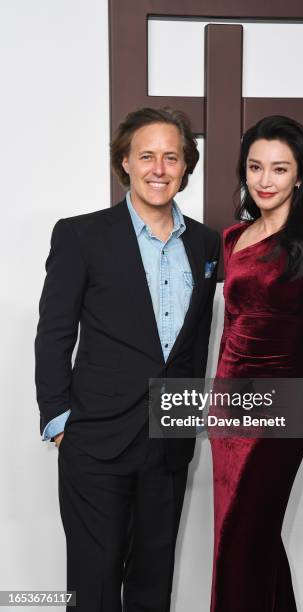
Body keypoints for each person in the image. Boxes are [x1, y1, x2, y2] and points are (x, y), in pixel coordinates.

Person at [34, 107, 220, 612]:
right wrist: (58, 419)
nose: (158, 168)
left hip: (168, 440)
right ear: (125, 163)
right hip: (95, 438)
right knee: (93, 586)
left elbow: (197, 339)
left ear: (185, 167)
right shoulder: (80, 235)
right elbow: (54, 332)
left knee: (152, 582)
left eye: (171, 157)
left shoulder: (206, 243)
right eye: (146, 156)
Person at [210, 115, 303, 611]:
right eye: (255, 167)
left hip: (278, 410)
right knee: (254, 540)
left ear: (300, 176)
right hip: (227, 411)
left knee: (238, 540)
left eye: (279, 169)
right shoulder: (232, 239)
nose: (264, 180)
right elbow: (230, 330)